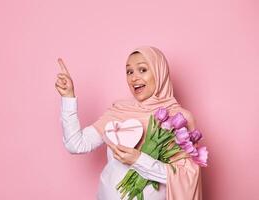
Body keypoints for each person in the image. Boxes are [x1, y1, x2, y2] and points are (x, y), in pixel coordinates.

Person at [55, 46, 202, 200]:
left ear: (160, 72)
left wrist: (139, 160)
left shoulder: (179, 118)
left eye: (143, 70)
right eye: (129, 72)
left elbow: (186, 178)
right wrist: (68, 98)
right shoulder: (118, 111)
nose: (133, 78)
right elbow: (76, 144)